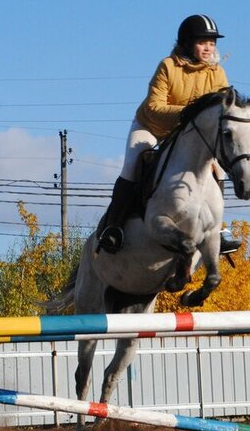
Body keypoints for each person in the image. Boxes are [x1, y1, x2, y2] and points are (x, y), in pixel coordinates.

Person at [97, 14, 242, 255]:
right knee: (133, 164)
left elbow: (222, 109)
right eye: (202, 42)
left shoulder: (217, 73)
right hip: (152, 126)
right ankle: (113, 227)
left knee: (219, 168)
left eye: (212, 43)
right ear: (187, 43)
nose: (208, 48)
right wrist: (190, 114)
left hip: (188, 135)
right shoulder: (168, 66)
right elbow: (154, 107)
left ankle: (215, 229)